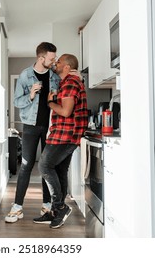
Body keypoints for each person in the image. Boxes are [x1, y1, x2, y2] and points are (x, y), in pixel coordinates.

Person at [5, 42, 61, 223]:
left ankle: (47, 205)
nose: (54, 61)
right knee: (26, 165)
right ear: (41, 58)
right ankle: (17, 207)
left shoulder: (54, 77)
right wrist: (30, 95)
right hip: (29, 126)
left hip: (50, 128)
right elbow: (16, 101)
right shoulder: (25, 75)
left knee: (46, 166)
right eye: (51, 58)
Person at [33, 53, 88, 229]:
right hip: (64, 134)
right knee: (59, 170)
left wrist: (50, 103)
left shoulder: (71, 82)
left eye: (59, 61)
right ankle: (57, 211)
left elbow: (65, 111)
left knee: (44, 166)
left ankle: (60, 207)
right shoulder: (66, 83)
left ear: (66, 67)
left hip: (65, 135)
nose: (56, 63)